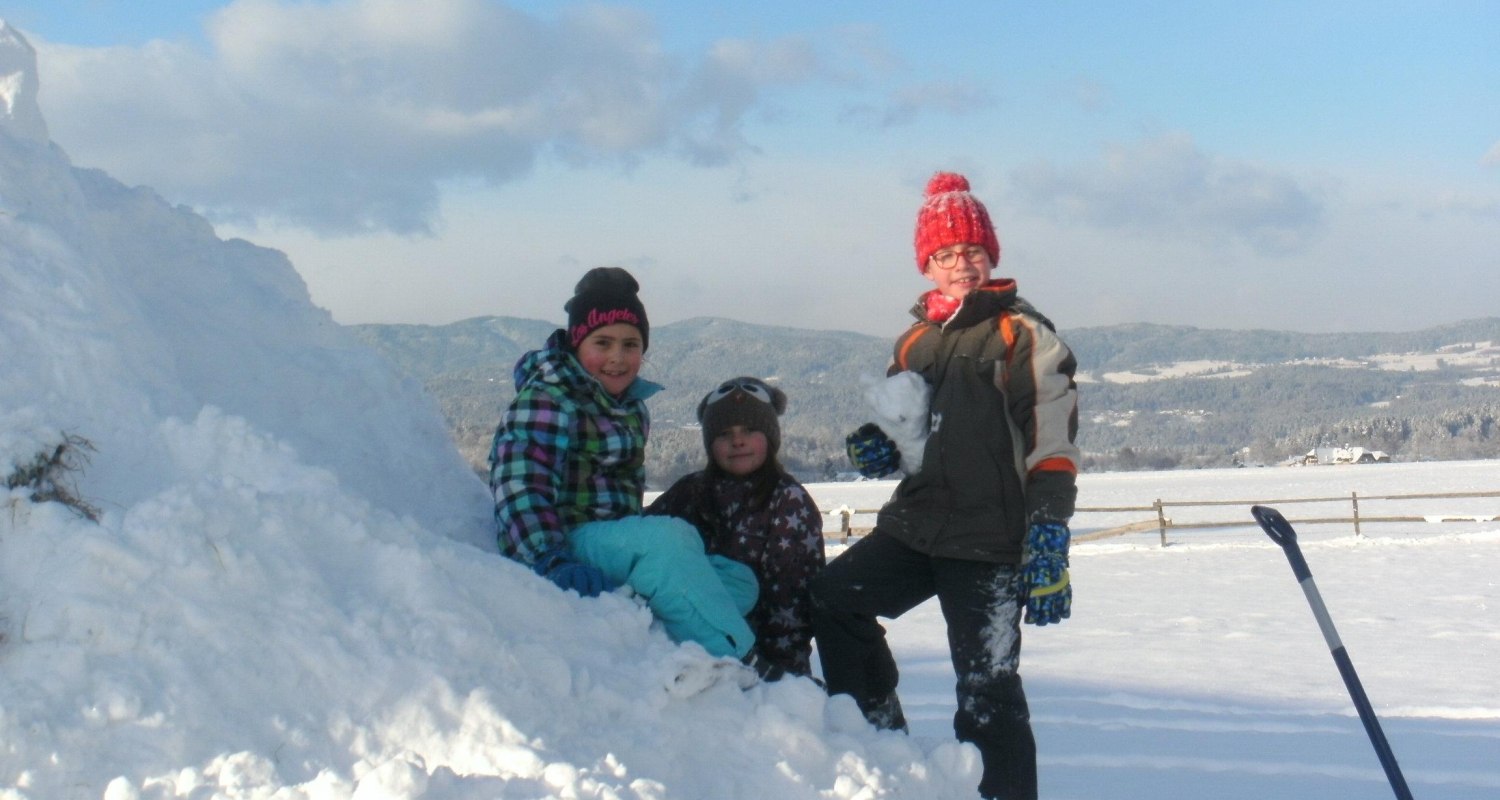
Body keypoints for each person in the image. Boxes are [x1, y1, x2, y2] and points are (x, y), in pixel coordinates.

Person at [810, 172, 1080, 800]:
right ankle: (882, 748)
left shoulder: (1023, 334)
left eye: (973, 252)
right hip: (916, 528)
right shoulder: (914, 343)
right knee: (832, 599)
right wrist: (876, 448)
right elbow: (907, 434)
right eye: (947, 254)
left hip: (990, 538)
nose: (962, 264)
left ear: (992, 256)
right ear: (927, 264)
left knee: (987, 685)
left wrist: (1048, 531)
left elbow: (1052, 441)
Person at [489, 266, 758, 663]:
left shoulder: (631, 407)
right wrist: (549, 555)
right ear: (577, 344)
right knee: (670, 541)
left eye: (631, 345)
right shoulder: (549, 398)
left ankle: (650, 627)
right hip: (566, 541)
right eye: (603, 342)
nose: (618, 358)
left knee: (739, 581)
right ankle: (737, 661)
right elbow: (519, 483)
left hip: (610, 541)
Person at [647, 377, 826, 679]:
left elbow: (792, 606)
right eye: (724, 434)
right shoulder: (689, 492)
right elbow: (649, 544)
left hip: (765, 664)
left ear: (770, 437)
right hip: (690, 655)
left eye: (750, 430)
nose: (737, 441)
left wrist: (779, 675)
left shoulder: (787, 501)